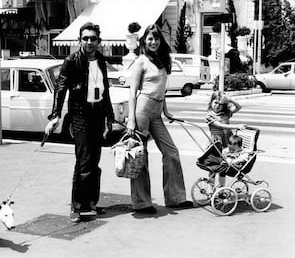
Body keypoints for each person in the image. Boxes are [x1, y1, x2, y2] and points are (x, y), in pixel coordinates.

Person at [45, 22, 114, 223]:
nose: (89, 42)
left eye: (93, 38)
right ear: (79, 40)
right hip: (81, 115)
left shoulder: (101, 60)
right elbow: (61, 87)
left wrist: (109, 116)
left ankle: (91, 202)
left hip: (98, 114)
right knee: (83, 160)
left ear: (98, 41)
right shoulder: (71, 61)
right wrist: (55, 115)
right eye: (85, 38)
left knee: (94, 161)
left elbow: (105, 90)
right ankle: (77, 207)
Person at [126, 24, 192, 214]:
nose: (153, 42)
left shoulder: (162, 61)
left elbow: (162, 90)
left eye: (156, 38)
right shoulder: (141, 62)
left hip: (156, 112)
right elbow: (132, 92)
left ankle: (175, 198)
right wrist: (131, 119)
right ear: (144, 41)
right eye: (150, 39)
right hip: (143, 110)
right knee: (140, 156)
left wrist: (166, 110)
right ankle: (141, 202)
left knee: (171, 153)